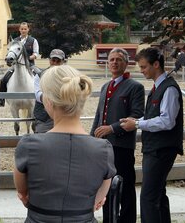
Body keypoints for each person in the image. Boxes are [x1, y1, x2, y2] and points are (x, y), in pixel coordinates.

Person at [15, 65, 115, 222]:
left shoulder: (28, 145)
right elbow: (98, 200)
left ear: (47, 101)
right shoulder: (104, 149)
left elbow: (23, 194)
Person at [120, 47, 184, 223]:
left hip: (161, 150)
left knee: (148, 198)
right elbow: (155, 117)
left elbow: (167, 121)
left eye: (143, 67)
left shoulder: (169, 88)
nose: (141, 71)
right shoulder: (159, 87)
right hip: (156, 149)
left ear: (156, 64)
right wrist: (135, 121)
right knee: (158, 196)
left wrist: (138, 123)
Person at [90, 48, 144, 223]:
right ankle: (109, 219)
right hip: (104, 147)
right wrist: (92, 139)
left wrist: (111, 128)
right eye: (111, 59)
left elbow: (136, 115)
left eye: (118, 59)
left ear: (126, 63)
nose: (114, 62)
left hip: (122, 146)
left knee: (125, 187)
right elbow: (99, 116)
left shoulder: (135, 87)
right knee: (106, 186)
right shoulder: (106, 86)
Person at [0, 22, 40, 107]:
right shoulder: (15, 41)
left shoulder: (33, 40)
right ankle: (2, 99)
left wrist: (27, 58)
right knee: (3, 79)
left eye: (25, 29)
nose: (23, 30)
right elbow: (11, 52)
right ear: (19, 29)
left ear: (28, 29)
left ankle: (41, 99)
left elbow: (36, 54)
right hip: (15, 65)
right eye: (22, 29)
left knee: (41, 75)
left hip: (30, 65)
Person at [31, 49, 66, 133]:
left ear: (63, 62)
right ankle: (2, 99)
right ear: (50, 60)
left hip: (63, 117)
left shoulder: (67, 76)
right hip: (44, 118)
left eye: (58, 61)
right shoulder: (40, 75)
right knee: (5, 79)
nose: (55, 63)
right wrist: (52, 98)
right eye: (53, 60)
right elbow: (38, 94)